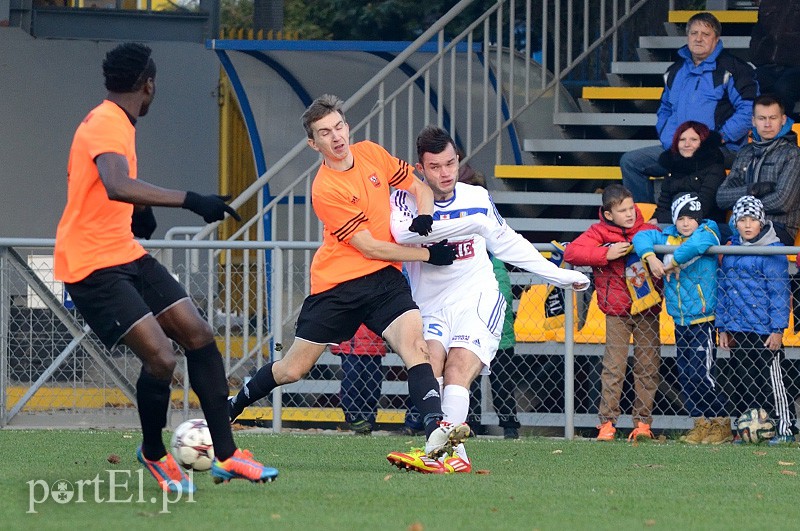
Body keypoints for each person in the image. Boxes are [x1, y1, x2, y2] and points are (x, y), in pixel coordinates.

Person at [53, 42, 277, 492]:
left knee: (198, 334)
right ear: (148, 85)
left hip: (123, 251)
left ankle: (228, 455)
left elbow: (106, 188)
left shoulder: (116, 121)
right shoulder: (106, 123)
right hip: (89, 264)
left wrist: (138, 214)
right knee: (161, 356)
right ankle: (154, 454)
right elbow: (116, 184)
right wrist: (190, 200)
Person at [227, 94, 467, 474]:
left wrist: (423, 219)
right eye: (325, 132)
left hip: (384, 280)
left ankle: (435, 430)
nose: (336, 136)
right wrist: (426, 254)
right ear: (314, 143)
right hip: (337, 285)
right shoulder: (325, 189)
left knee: (415, 346)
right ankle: (234, 403)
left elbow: (419, 185)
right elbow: (369, 247)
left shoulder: (371, 152)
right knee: (292, 369)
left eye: (339, 126)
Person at [386, 125, 590, 472]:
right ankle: (455, 455)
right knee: (429, 363)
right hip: (429, 304)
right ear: (419, 168)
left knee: (458, 370)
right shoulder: (403, 200)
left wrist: (558, 275)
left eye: (450, 163)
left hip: (477, 297)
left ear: (458, 160)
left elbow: (506, 241)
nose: (445, 172)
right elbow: (403, 233)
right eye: (435, 167)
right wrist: (474, 225)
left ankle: (440, 453)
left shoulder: (476, 199)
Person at [620, 11, 758, 203]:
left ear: (716, 39)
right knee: (631, 162)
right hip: (680, 147)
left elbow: (750, 108)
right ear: (688, 36)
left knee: (692, 164)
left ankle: (683, 217)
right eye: (694, 33)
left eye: (705, 34)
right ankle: (644, 222)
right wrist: (673, 141)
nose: (698, 39)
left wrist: (719, 137)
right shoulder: (675, 71)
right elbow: (665, 110)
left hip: (719, 148)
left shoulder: (733, 68)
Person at [563, 184, 662, 441]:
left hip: (648, 309)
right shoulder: (598, 232)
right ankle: (606, 424)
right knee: (613, 368)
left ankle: (642, 424)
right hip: (616, 310)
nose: (630, 214)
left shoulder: (648, 230)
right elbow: (572, 251)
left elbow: (667, 241)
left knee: (647, 366)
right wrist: (604, 253)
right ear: (608, 215)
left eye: (631, 208)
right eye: (622, 210)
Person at [633, 193, 731, 444]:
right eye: (682, 218)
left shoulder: (708, 231)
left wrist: (673, 260)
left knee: (702, 374)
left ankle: (720, 422)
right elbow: (641, 236)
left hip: (703, 320)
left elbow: (698, 245)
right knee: (686, 375)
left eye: (692, 218)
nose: (687, 223)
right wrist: (651, 257)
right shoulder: (667, 236)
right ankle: (700, 424)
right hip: (679, 320)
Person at [716, 196, 797, 445]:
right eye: (742, 219)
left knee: (772, 382)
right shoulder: (729, 252)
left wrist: (777, 329)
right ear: (735, 223)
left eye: (752, 219)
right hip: (738, 329)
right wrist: (723, 327)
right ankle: (748, 430)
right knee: (743, 382)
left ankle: (784, 427)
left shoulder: (773, 252)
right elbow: (724, 292)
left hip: (765, 331)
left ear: (761, 222)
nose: (748, 224)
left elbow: (780, 294)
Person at [456, 166, 521, 440]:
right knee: (464, 372)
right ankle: (469, 423)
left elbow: (501, 279)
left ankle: (508, 425)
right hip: (467, 301)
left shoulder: (489, 225)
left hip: (493, 309)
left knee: (501, 375)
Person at [716, 94, 800, 246]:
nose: (767, 124)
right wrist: (751, 189)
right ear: (753, 121)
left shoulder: (793, 154)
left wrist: (745, 207)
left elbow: (782, 201)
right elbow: (721, 197)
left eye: (772, 118)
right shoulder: (744, 152)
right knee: (708, 232)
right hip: (741, 226)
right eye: (762, 118)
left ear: (783, 120)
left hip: (777, 227)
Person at [648, 121, 728, 239]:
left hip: (705, 226)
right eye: (682, 140)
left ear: (703, 143)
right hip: (674, 224)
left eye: (693, 140)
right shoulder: (673, 167)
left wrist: (662, 219)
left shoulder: (714, 167)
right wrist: (654, 221)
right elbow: (663, 204)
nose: (687, 144)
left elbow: (703, 207)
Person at [330, 324, 387, 435]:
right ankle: (353, 416)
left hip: (373, 346)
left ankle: (368, 419)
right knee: (351, 382)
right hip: (352, 346)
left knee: (372, 386)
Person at [749, 0, 800, 121]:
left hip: (796, 67)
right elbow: (758, 32)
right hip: (768, 66)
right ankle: (754, 128)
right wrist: (758, 53)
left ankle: (784, 128)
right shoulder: (768, 2)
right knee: (749, 85)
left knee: (783, 88)